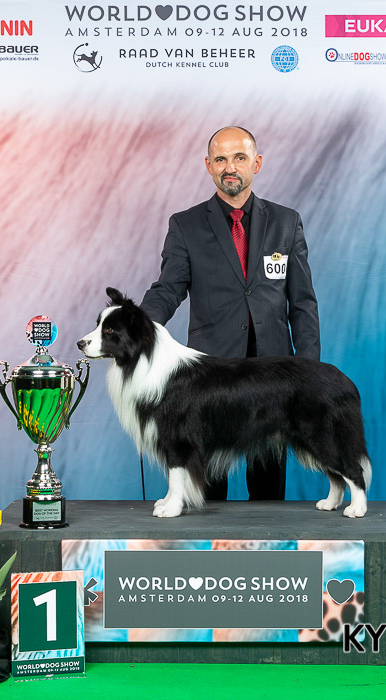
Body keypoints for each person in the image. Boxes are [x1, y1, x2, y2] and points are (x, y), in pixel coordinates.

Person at [140, 126, 320, 500]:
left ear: (257, 163)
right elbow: (168, 289)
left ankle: (268, 539)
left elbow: (302, 303)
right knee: (208, 492)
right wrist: (137, 328)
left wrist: (309, 370)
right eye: (220, 159)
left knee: (269, 493)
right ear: (208, 166)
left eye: (239, 158)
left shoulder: (286, 222)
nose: (230, 167)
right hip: (210, 377)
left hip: (273, 375)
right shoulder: (185, 225)